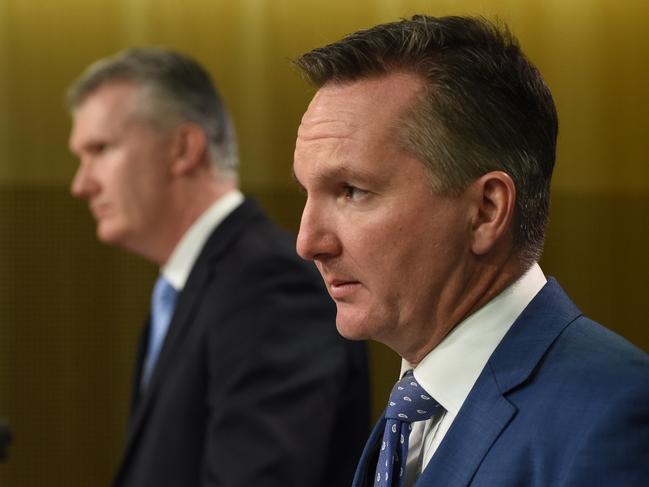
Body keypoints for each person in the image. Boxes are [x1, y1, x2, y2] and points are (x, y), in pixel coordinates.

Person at [293, 15, 649, 487]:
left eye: (352, 191)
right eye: (307, 193)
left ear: (485, 210)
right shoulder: (410, 411)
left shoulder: (617, 414)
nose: (308, 242)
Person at [67, 48, 370, 487]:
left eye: (99, 149)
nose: (81, 184)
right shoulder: (187, 286)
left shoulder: (268, 285)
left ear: (183, 148)